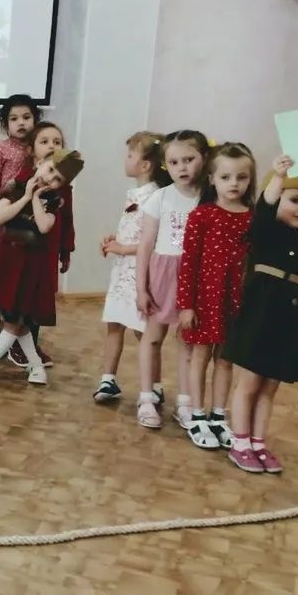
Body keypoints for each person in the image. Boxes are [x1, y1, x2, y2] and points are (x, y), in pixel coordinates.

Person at [222, 156, 298, 474]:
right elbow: (265, 209)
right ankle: (240, 441)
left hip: (289, 322)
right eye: (294, 199)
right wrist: (279, 177)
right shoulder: (266, 230)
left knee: (270, 387)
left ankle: (258, 441)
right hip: (261, 318)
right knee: (250, 382)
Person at [0, 148, 85, 387]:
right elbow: (0, 216)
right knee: (18, 319)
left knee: (15, 319)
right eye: (50, 170)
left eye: (57, 179)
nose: (50, 178)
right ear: (39, 163)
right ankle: (37, 367)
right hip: (8, 259)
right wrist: (26, 196)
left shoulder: (54, 201)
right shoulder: (14, 186)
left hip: (31, 265)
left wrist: (36, 198)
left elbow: (44, 226)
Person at [176, 143, 255, 450]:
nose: (234, 183)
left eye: (241, 177)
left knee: (225, 360)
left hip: (237, 302)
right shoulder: (202, 215)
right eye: (226, 177)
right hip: (205, 301)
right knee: (200, 357)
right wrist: (186, 305)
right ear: (212, 179)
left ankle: (218, 416)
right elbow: (189, 263)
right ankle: (197, 414)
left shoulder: (252, 219)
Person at [134, 130, 210, 430]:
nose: (182, 167)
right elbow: (145, 245)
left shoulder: (209, 199)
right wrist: (141, 288)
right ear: (165, 165)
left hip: (195, 277)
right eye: (174, 162)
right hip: (163, 275)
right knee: (153, 337)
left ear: (204, 158)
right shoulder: (160, 197)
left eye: (189, 159)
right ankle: (146, 396)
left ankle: (185, 402)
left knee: (187, 342)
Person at [93, 132, 168, 404]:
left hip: (141, 272)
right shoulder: (135, 194)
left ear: (145, 165)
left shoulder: (156, 197)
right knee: (114, 323)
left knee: (144, 332)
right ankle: (108, 379)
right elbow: (134, 230)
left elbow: (155, 240)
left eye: (130, 155)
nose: (125, 160)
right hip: (122, 271)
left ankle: (155, 385)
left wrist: (123, 248)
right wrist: (117, 239)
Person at [0, 94, 38, 353]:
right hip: (1, 223)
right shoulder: (0, 149)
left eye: (26, 117)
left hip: (29, 224)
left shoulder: (39, 148)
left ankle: (9, 332)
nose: (21, 123)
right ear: (6, 124)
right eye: (14, 119)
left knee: (15, 281)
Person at [7, 121, 70, 369]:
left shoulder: (63, 185)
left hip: (48, 249)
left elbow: (67, 219)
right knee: (18, 298)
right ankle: (13, 344)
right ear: (31, 150)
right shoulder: (24, 180)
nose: (51, 146)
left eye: (57, 142)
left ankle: (31, 344)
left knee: (38, 298)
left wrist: (66, 249)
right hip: (22, 250)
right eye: (44, 142)